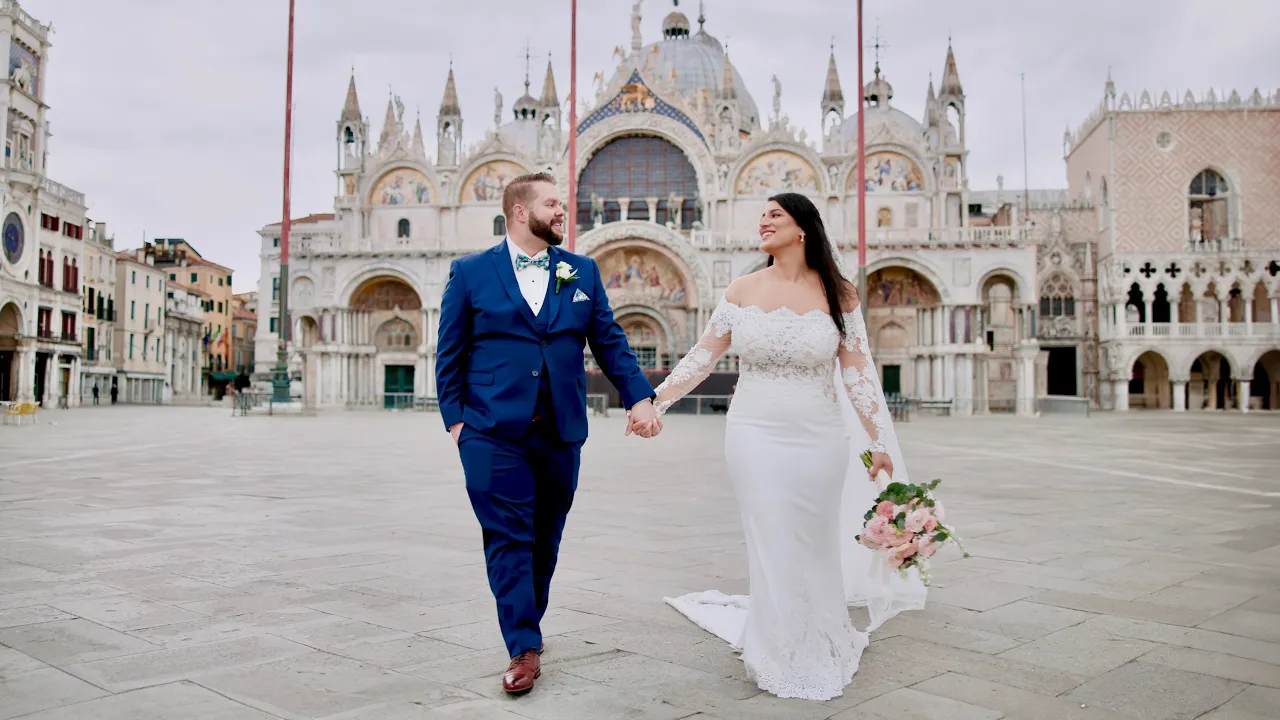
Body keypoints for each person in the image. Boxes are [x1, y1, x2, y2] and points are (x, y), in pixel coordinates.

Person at [630, 193, 926, 701]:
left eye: (775, 215)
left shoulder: (839, 294)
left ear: (803, 229)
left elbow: (856, 371)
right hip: (753, 431)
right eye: (762, 215)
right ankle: (775, 647)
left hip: (821, 433)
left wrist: (877, 437)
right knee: (769, 534)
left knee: (811, 538)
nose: (763, 222)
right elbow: (703, 357)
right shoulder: (743, 289)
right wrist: (655, 400)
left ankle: (820, 634)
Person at [436, 172, 660, 695]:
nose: (563, 212)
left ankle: (527, 624)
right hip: (491, 432)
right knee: (509, 537)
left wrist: (640, 397)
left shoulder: (580, 270)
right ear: (520, 211)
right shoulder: (470, 273)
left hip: (561, 430)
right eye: (554, 204)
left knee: (545, 538)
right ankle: (522, 647)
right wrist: (457, 423)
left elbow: (609, 340)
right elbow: (449, 352)